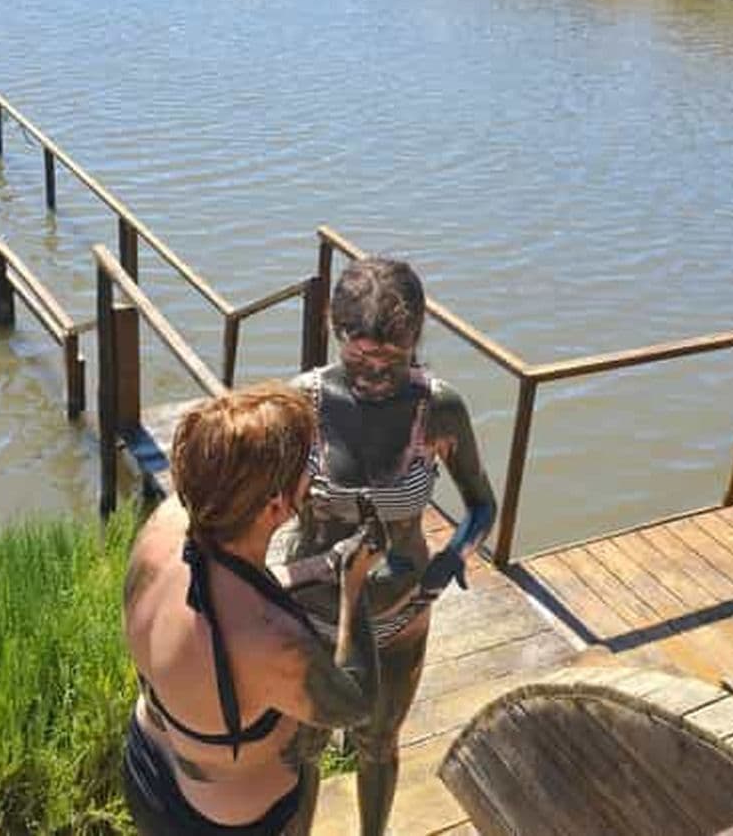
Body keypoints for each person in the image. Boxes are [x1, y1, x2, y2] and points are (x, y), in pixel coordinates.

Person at [284, 257, 498, 836]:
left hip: (401, 612)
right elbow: (258, 501)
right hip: (313, 614)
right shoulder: (302, 404)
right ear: (335, 332)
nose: (376, 376)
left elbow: (482, 504)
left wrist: (454, 556)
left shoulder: (439, 408)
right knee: (303, 746)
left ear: (417, 340)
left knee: (378, 743)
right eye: (360, 359)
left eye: (393, 361)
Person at [122, 383, 386, 836]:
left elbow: (218, 592)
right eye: (308, 465)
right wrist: (354, 583)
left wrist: (313, 568)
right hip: (218, 821)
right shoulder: (274, 641)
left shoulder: (165, 526)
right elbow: (357, 704)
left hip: (145, 766)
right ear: (276, 505)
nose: (314, 473)